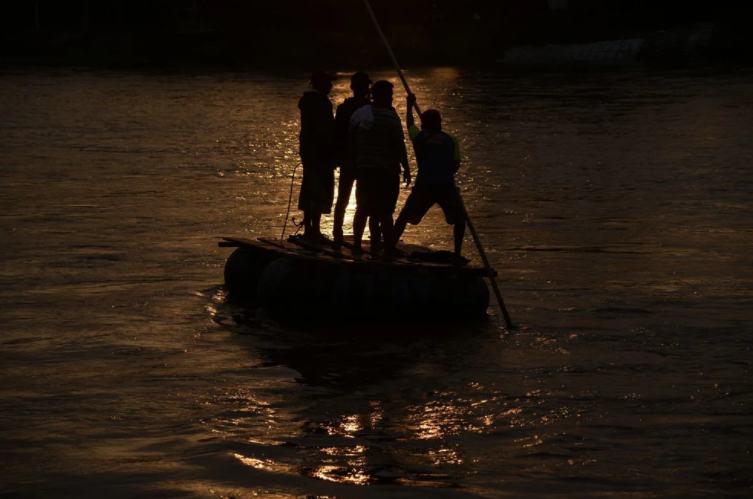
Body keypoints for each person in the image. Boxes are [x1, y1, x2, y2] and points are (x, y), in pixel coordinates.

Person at [393, 94, 466, 258]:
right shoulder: (451, 140)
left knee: (405, 216)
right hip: (446, 184)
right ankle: (458, 253)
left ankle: (389, 250)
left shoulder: (418, 138)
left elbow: (410, 124)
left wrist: (409, 105)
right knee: (460, 219)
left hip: (424, 184)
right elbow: (455, 165)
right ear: (440, 123)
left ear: (423, 124)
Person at [349, 80, 411, 256]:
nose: (391, 99)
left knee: (362, 208)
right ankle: (388, 249)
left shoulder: (359, 115)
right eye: (389, 95)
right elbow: (399, 145)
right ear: (381, 96)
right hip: (386, 171)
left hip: (365, 169)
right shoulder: (391, 117)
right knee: (385, 211)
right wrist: (406, 167)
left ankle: (357, 245)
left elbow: (352, 140)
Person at [332, 72, 380, 248]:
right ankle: (367, 238)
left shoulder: (345, 108)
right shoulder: (371, 109)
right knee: (364, 201)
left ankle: (338, 235)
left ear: (352, 87)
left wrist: (336, 158)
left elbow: (336, 135)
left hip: (349, 159)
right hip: (364, 160)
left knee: (344, 199)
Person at [297, 69, 336, 242]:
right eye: (328, 83)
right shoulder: (321, 102)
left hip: (309, 152)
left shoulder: (308, 101)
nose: (331, 86)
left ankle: (310, 230)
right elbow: (326, 131)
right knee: (319, 190)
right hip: (320, 153)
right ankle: (314, 231)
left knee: (309, 188)